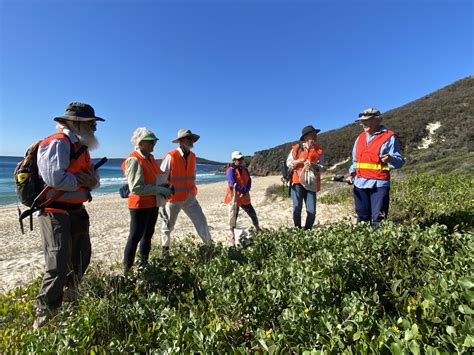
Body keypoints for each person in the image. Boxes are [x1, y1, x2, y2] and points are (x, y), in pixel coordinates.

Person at [34, 102, 106, 329]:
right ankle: (45, 319)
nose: (94, 128)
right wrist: (84, 181)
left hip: (76, 211)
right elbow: (54, 178)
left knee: (82, 256)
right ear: (74, 123)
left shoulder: (81, 147)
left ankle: (70, 300)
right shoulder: (57, 143)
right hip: (55, 211)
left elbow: (94, 180)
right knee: (57, 264)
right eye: (91, 123)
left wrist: (91, 181)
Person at [122, 128, 174, 273]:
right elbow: (137, 188)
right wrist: (161, 190)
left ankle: (144, 265)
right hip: (139, 205)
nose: (154, 144)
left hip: (152, 203)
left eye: (154, 141)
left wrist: (165, 186)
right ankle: (127, 271)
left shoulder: (150, 158)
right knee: (135, 236)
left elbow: (156, 178)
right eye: (151, 141)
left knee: (148, 235)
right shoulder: (134, 159)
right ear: (141, 143)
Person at [346, 108, 405, 228]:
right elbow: (356, 161)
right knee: (362, 217)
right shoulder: (360, 138)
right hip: (360, 183)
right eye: (362, 121)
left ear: (377, 120)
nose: (363, 123)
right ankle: (364, 245)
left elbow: (399, 162)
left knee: (379, 219)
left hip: (379, 184)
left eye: (367, 120)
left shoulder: (389, 137)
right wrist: (352, 173)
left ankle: (379, 244)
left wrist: (390, 159)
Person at [160, 129, 212, 258]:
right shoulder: (171, 156)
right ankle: (165, 252)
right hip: (173, 199)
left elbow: (192, 175)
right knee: (167, 227)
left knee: (202, 222)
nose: (192, 141)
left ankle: (210, 247)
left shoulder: (193, 156)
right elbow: (161, 177)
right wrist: (162, 196)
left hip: (189, 197)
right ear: (181, 141)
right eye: (189, 139)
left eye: (192, 139)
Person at [286, 125, 324, 230]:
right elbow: (288, 163)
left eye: (315, 134)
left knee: (311, 210)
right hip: (297, 182)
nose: (315, 137)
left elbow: (322, 167)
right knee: (297, 208)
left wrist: (312, 165)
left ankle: (307, 230)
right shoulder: (296, 148)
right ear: (306, 137)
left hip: (311, 183)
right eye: (313, 135)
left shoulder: (319, 150)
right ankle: (298, 229)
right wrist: (299, 161)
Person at [224, 151, 260, 245]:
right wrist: (244, 190)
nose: (240, 161)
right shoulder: (230, 170)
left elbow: (249, 180)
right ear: (234, 160)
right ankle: (232, 235)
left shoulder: (245, 169)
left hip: (244, 198)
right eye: (238, 159)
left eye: (241, 159)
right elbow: (232, 185)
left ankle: (258, 228)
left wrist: (247, 189)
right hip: (234, 198)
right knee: (233, 218)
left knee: (253, 214)